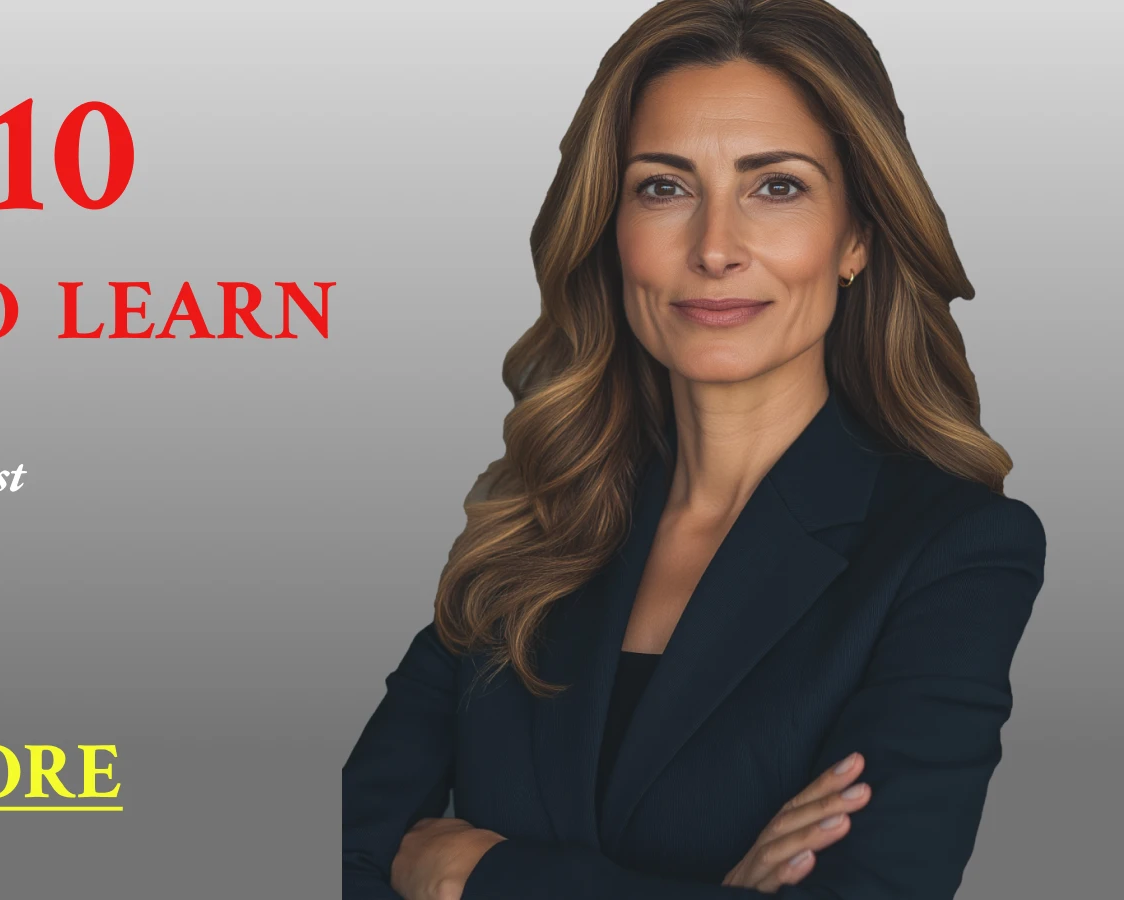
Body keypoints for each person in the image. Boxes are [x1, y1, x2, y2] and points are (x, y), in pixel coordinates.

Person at [339, 1, 1047, 897]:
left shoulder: (954, 552)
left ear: (857, 237)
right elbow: (338, 855)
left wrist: (478, 876)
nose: (714, 248)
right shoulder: (531, 527)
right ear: (611, 230)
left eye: (776, 186)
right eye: (664, 188)